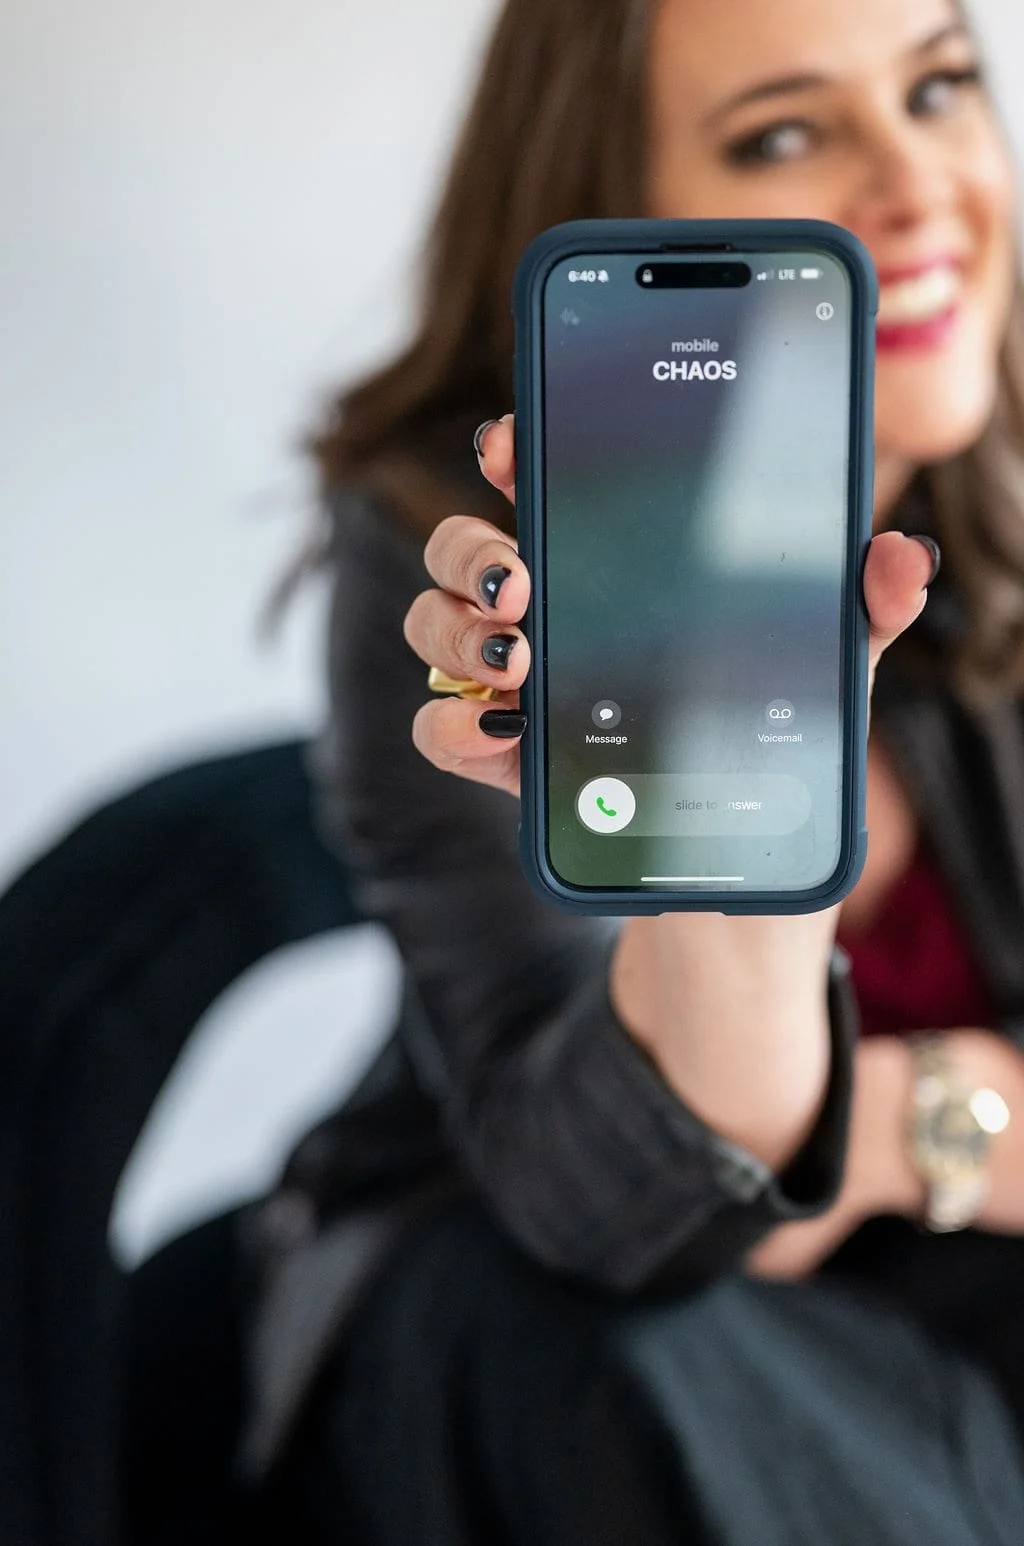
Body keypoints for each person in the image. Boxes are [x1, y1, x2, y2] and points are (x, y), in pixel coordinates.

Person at [124, 0, 1024, 1541]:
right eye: (786, 133)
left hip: (923, 1315)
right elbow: (603, 1215)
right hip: (538, 1324)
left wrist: (901, 1140)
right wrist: (922, 1098)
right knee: (573, 1335)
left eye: (938, 85)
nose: (914, 179)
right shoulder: (455, 549)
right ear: (612, 205)